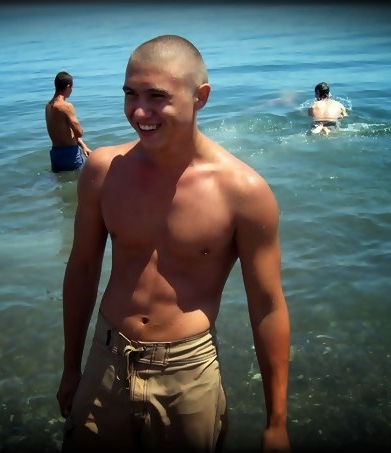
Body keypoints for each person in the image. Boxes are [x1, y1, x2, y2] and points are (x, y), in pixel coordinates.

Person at [56, 35, 291, 453]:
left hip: (188, 372)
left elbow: (267, 305)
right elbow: (82, 269)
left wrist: (276, 423)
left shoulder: (243, 192)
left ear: (200, 97)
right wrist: (71, 367)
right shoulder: (103, 170)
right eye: (130, 94)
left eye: (157, 97)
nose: (138, 111)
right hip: (106, 359)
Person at [45, 71, 92, 172]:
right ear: (68, 86)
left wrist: (84, 146)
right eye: (71, 88)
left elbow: (64, 132)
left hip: (55, 154)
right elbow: (79, 133)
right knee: (79, 179)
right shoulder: (66, 106)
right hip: (70, 154)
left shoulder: (48, 106)